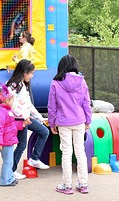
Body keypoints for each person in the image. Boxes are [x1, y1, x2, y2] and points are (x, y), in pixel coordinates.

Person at [48, 55, 92, 195]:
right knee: (80, 152)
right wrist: (88, 120)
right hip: (79, 120)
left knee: (66, 152)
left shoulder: (55, 82)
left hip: (63, 122)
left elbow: (52, 105)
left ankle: (67, 185)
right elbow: (86, 102)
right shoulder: (82, 81)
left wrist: (52, 122)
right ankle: (83, 183)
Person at [8, 59, 50, 180]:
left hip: (27, 117)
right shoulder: (14, 85)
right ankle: (11, 171)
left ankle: (34, 159)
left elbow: (29, 105)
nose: (31, 76)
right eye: (31, 73)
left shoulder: (23, 85)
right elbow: (11, 103)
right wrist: (22, 116)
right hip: (19, 119)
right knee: (21, 145)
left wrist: (40, 118)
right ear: (24, 72)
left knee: (44, 131)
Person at [0, 84, 25, 187]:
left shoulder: (7, 111)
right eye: (12, 100)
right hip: (5, 141)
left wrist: (22, 124)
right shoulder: (1, 112)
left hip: (9, 139)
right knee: (8, 161)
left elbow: (11, 124)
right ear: (6, 101)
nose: (13, 102)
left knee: (9, 161)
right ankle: (5, 180)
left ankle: (9, 178)